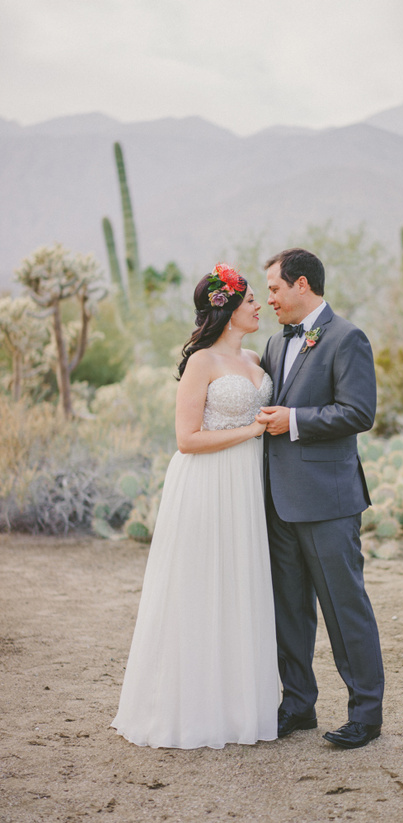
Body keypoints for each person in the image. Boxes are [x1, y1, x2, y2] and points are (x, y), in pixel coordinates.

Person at [111, 264, 279, 750]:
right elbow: (187, 439)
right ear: (226, 308)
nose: (259, 306)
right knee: (201, 585)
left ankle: (239, 708)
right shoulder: (202, 362)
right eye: (250, 300)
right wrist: (252, 430)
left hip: (246, 483)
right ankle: (190, 710)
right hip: (207, 482)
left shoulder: (254, 356)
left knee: (239, 583)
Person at [257, 248, 384, 750]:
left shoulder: (347, 337)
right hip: (278, 501)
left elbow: (358, 412)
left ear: (301, 284)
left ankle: (366, 714)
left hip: (329, 503)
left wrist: (296, 421)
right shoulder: (272, 342)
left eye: (274, 288)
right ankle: (298, 705)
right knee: (289, 609)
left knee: (344, 607)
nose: (269, 298)